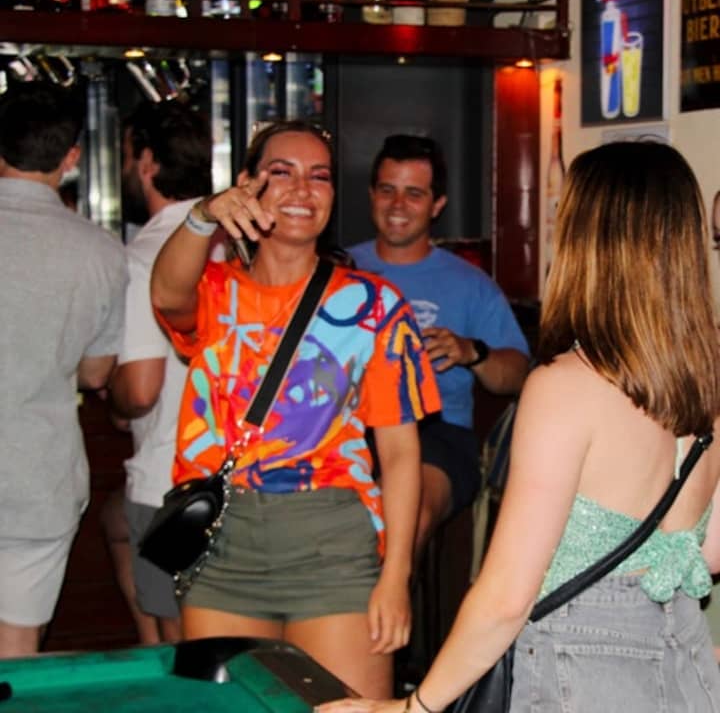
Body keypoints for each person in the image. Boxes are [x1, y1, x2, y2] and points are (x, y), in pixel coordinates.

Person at [318, 141, 720, 713]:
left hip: (582, 677)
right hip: (687, 668)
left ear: (587, 241)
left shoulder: (566, 386)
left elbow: (506, 597)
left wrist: (414, 707)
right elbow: (708, 553)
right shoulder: (710, 374)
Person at [149, 120, 441, 697]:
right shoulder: (215, 291)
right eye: (281, 172)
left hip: (332, 543)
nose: (303, 190)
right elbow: (166, 294)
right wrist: (203, 216)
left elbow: (401, 454)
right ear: (246, 184)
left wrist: (396, 576)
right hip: (224, 543)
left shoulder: (374, 306)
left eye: (319, 176)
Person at [351, 134, 530, 562]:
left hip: (437, 432)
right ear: (372, 195)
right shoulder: (339, 269)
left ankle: (387, 600)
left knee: (404, 517)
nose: (398, 205)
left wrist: (473, 353)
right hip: (345, 428)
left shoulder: (470, 284)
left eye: (414, 194)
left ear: (437, 205)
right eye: (387, 190)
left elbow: (519, 374)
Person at [0, 80, 127, 658]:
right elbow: (97, 374)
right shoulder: (100, 251)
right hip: (37, 478)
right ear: (72, 155)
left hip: (37, 479)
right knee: (17, 650)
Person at [108, 100, 219, 645]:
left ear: (148, 162)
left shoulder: (146, 255)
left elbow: (141, 389)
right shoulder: (242, 244)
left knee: (183, 644)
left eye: (127, 156)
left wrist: (110, 392)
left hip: (170, 479)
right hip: (243, 476)